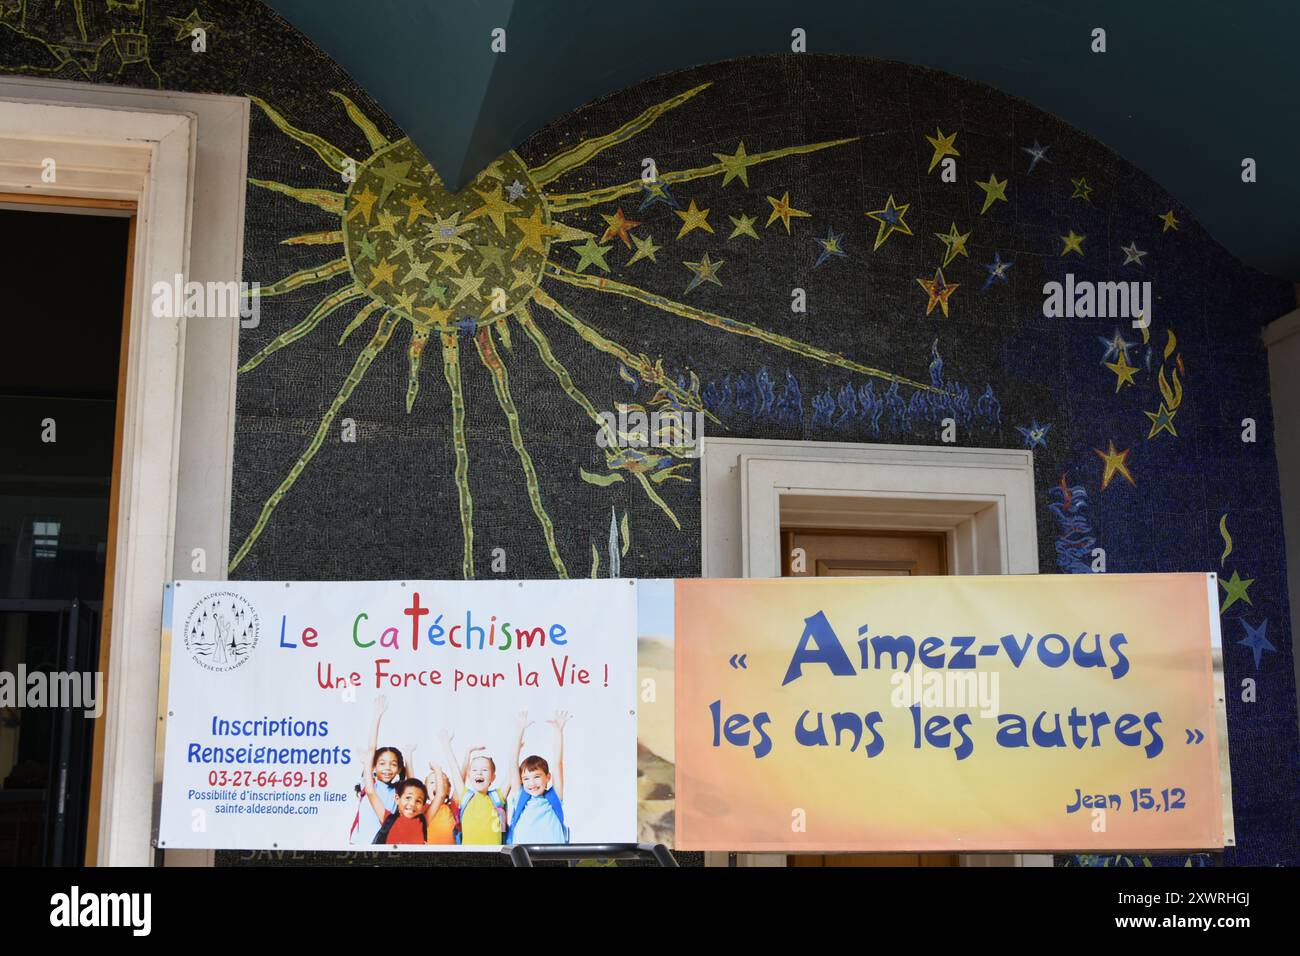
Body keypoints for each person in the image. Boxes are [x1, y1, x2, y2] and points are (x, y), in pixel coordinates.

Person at [349, 695, 410, 844]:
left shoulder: (399, 791)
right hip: (363, 848)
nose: (387, 768)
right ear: (374, 766)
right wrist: (376, 717)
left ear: (399, 768)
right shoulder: (369, 785)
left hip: (386, 848)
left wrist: (408, 756)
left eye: (393, 764)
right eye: (382, 763)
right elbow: (371, 749)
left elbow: (412, 784)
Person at [507, 710, 570, 845]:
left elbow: (558, 763)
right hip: (525, 857)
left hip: (552, 856)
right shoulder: (520, 797)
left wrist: (558, 732)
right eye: (526, 778)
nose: (531, 783)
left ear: (548, 777)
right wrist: (520, 730)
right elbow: (512, 762)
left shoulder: (554, 797)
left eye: (536, 776)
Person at [440, 727, 508, 845]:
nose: (479, 773)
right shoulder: (465, 796)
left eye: (484, 770)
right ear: (469, 776)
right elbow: (454, 768)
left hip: (494, 857)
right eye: (475, 770)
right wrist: (446, 744)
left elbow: (513, 772)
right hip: (469, 857)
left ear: (493, 777)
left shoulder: (497, 796)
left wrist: (519, 734)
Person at [370, 777, 429, 845]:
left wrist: (437, 769)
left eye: (418, 801)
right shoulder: (388, 819)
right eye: (408, 798)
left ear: (423, 806)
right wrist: (368, 766)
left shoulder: (422, 821)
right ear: (397, 799)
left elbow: (441, 795)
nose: (412, 804)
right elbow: (370, 792)